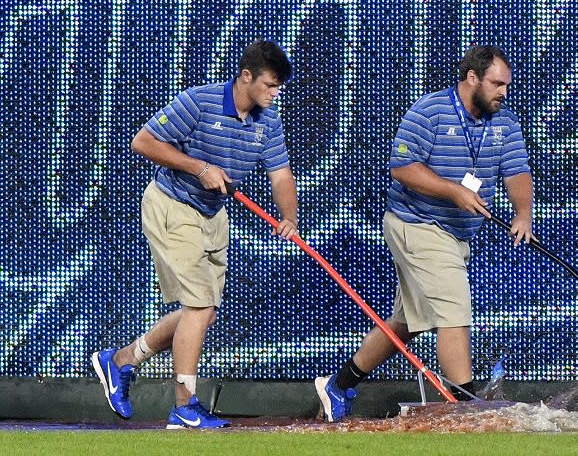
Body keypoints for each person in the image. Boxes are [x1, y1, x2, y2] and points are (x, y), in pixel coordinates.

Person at [315, 45, 534, 421]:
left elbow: (516, 171)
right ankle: (462, 408)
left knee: (406, 323)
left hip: (455, 235)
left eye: (507, 85)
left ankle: (337, 385)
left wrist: (523, 213)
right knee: (453, 308)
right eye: (497, 84)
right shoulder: (430, 111)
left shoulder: (505, 122)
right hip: (416, 224)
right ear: (472, 78)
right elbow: (402, 167)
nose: (504, 92)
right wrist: (453, 190)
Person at [91, 40, 299, 429]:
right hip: (172, 205)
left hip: (212, 215)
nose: (275, 93)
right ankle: (184, 406)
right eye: (270, 85)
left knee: (203, 312)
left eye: (279, 87)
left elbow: (281, 174)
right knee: (199, 306)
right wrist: (199, 167)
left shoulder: (268, 121)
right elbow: (144, 142)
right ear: (246, 76)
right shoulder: (199, 101)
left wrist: (289, 217)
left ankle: (121, 360)